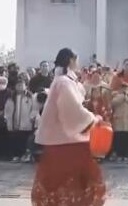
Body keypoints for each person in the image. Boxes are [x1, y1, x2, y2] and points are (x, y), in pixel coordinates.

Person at [32, 48, 105, 205]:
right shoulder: (64, 82)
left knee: (61, 183)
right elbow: (72, 109)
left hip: (62, 140)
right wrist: (93, 119)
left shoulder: (62, 80)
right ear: (71, 60)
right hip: (68, 142)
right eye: (76, 59)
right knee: (71, 182)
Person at [5, 79, 37, 163]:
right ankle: (16, 156)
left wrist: (32, 117)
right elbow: (7, 109)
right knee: (15, 139)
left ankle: (24, 155)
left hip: (26, 122)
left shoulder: (30, 97)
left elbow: (34, 108)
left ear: (25, 86)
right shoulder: (11, 97)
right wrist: (7, 117)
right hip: (14, 122)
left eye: (21, 85)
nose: (19, 87)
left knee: (24, 139)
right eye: (18, 85)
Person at [110, 75, 128, 163]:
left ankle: (126, 156)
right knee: (119, 140)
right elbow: (113, 103)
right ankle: (119, 155)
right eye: (123, 87)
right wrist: (122, 96)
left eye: (126, 87)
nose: (124, 89)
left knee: (127, 140)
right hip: (119, 121)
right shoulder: (116, 95)